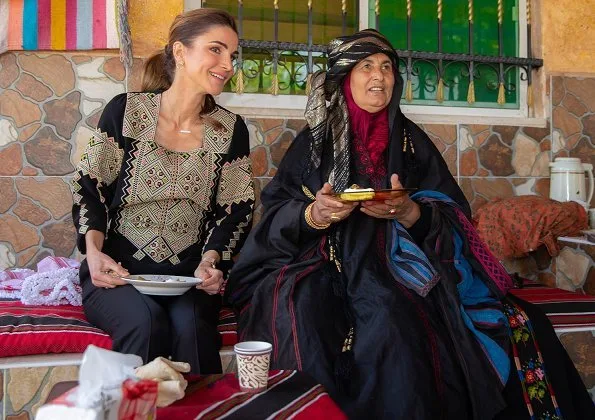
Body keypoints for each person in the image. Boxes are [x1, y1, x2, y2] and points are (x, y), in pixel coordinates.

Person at [225, 29, 595, 419]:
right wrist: (313, 215)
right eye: (366, 66)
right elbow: (278, 210)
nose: (379, 77)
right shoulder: (312, 145)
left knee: (392, 319)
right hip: (322, 260)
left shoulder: (411, 143)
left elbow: (454, 215)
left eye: (386, 67)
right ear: (344, 77)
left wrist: (409, 213)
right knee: (302, 310)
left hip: (398, 264)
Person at [72, 8, 254, 374]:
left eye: (232, 55)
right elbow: (90, 187)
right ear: (181, 52)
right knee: (146, 322)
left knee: (192, 329)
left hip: (189, 279)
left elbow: (236, 210)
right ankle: (133, 410)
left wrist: (211, 262)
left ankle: (204, 413)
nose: (228, 64)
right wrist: (93, 253)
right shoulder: (125, 112)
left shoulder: (230, 129)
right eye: (216, 50)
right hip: (117, 272)